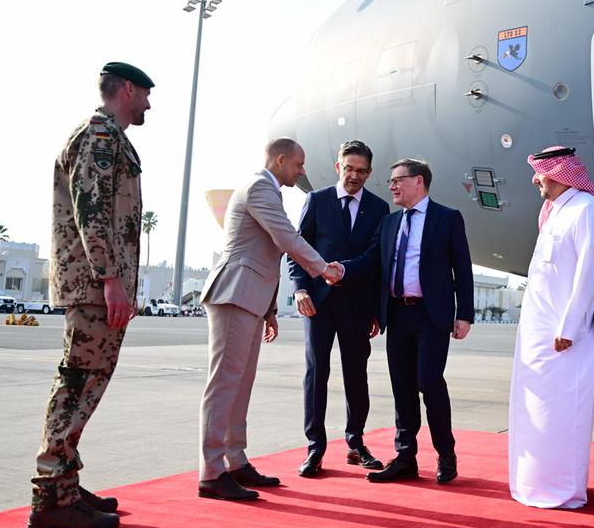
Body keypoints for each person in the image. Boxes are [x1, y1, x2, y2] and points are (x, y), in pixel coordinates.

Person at [27, 61, 153, 528]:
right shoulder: (99, 134)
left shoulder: (111, 137)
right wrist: (109, 277)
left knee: (88, 383)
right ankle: (50, 497)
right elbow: (92, 208)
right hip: (94, 285)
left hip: (101, 284)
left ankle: (65, 484)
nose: (148, 103)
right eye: (143, 93)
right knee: (77, 383)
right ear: (124, 89)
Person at [198, 138, 340, 501]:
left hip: (250, 298)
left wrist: (270, 309)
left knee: (240, 384)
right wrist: (322, 268)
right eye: (298, 164)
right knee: (225, 384)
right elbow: (285, 238)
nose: (302, 170)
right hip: (234, 293)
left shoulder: (267, 189)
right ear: (280, 160)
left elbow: (266, 253)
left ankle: (235, 460)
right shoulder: (261, 186)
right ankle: (212, 472)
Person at [342, 158, 473, 484]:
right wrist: (337, 269)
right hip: (397, 315)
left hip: (432, 315)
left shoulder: (447, 218)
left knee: (429, 382)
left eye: (397, 180)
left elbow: (463, 268)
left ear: (419, 182)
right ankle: (405, 458)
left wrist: (465, 314)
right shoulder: (389, 223)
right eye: (390, 182)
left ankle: (446, 453)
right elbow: (372, 264)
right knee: (402, 388)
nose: (392, 186)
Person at [509, 146, 594, 509]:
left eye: (540, 172)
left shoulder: (587, 210)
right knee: (535, 411)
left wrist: (570, 327)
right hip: (539, 335)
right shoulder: (555, 211)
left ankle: (562, 490)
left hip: (567, 337)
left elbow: (591, 272)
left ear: (559, 172)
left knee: (562, 413)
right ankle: (533, 483)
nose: (535, 179)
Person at [289, 139, 389, 477]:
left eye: (362, 171)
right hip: (317, 303)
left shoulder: (378, 209)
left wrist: (376, 308)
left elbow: (376, 258)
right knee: (316, 375)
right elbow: (297, 250)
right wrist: (300, 289)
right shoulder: (316, 201)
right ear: (338, 167)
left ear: (369, 173)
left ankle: (355, 443)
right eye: (349, 169)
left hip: (358, 304)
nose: (355, 176)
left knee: (356, 376)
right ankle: (315, 448)